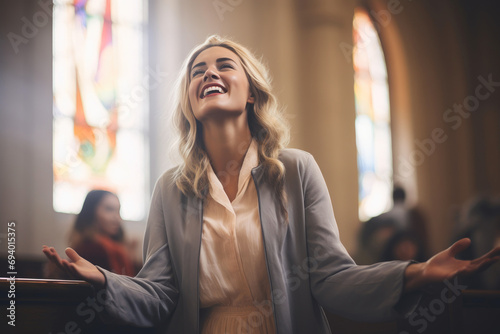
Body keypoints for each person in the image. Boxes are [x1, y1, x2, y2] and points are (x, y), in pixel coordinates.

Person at [43, 35, 500, 334]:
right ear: (188, 99)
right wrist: (101, 279)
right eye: (197, 71)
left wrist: (416, 272)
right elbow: (159, 293)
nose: (208, 74)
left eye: (224, 65)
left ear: (252, 92)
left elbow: (331, 277)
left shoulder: (296, 171)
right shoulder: (171, 188)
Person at [46, 190, 137, 278]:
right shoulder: (92, 249)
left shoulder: (116, 248)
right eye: (109, 209)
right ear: (91, 212)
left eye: (118, 211)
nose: (117, 218)